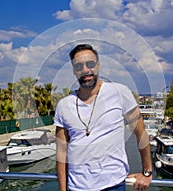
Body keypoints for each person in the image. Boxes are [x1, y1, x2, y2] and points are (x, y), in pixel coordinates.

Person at [54, 44, 152, 191]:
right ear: (74, 71)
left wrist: (147, 171)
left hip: (114, 185)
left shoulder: (120, 92)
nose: (86, 70)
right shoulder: (64, 105)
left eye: (90, 64)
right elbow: (62, 153)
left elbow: (141, 133)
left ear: (98, 66)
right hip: (77, 187)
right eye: (79, 66)